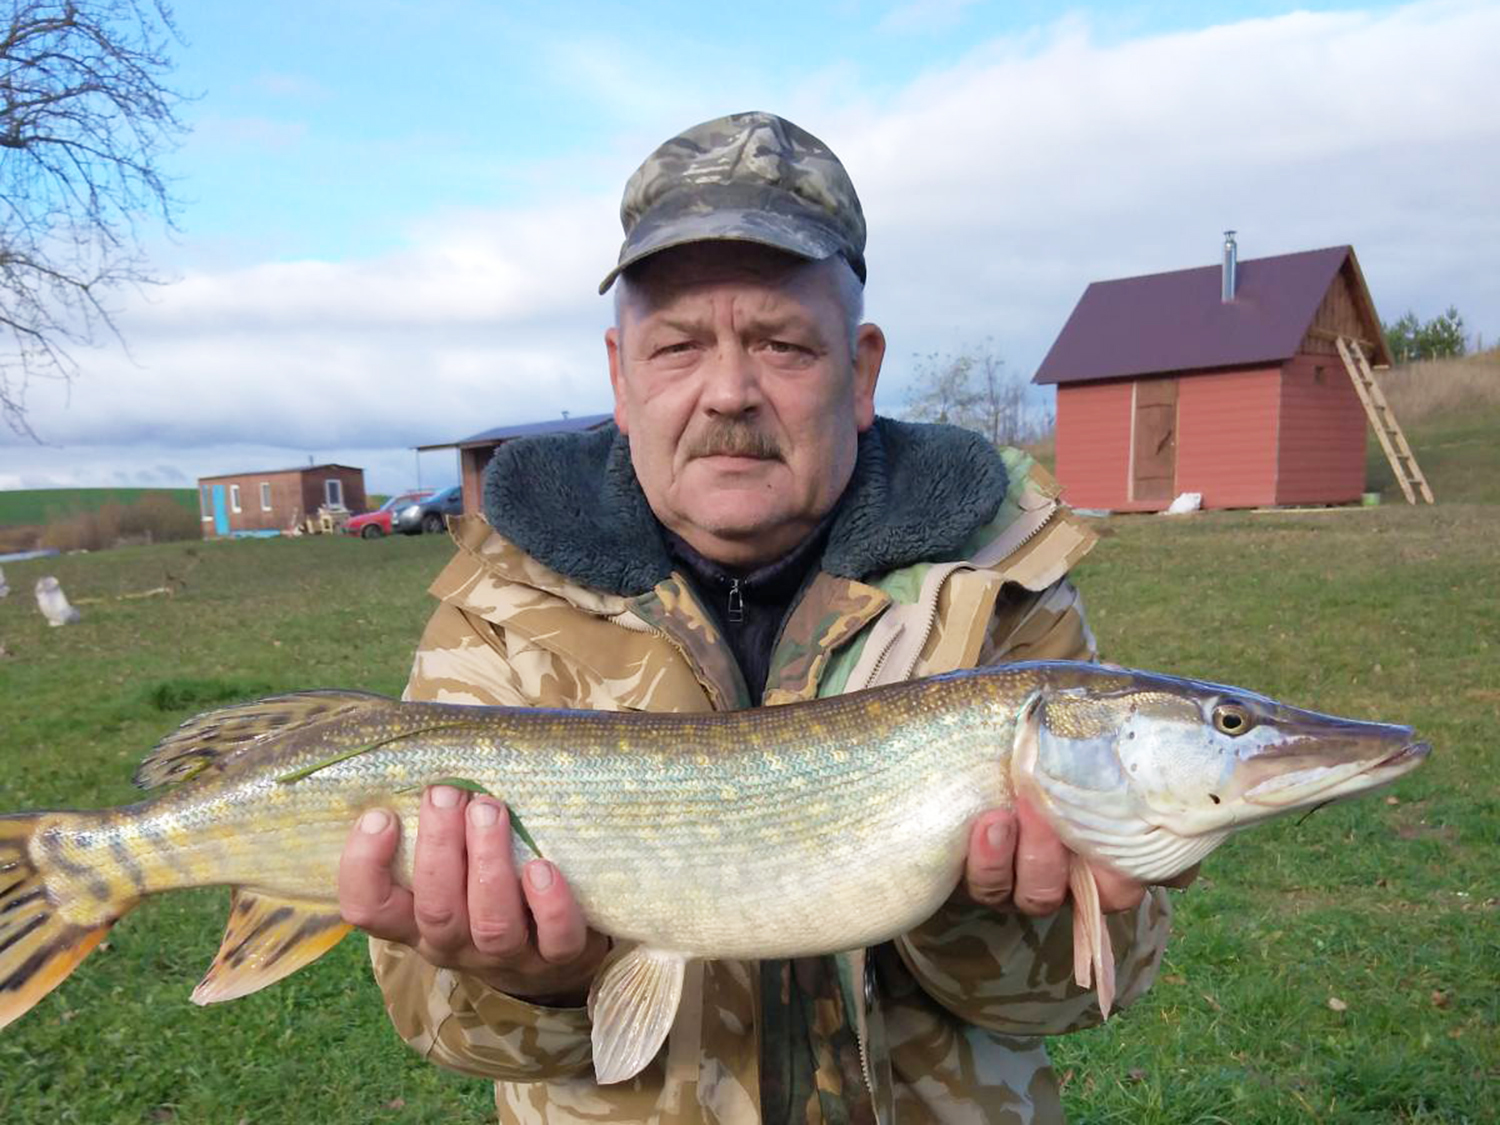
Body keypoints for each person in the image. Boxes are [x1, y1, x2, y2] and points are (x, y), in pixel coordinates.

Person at [337, 111, 1172, 1123]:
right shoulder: (501, 609)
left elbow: (1092, 987)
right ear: (620, 375)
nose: (728, 393)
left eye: (781, 344)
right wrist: (535, 979)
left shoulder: (1000, 591)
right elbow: (438, 1021)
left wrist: (972, 919)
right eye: (679, 346)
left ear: (860, 373)